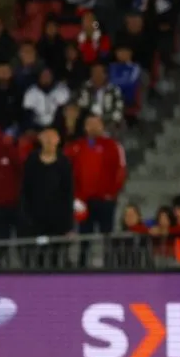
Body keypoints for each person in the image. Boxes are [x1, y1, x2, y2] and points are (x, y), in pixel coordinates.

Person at [64, 114, 127, 267]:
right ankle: (82, 266)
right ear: (85, 127)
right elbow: (67, 171)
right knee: (84, 235)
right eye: (89, 124)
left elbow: (121, 171)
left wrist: (111, 194)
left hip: (105, 200)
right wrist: (76, 196)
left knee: (107, 235)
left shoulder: (113, 146)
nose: (92, 127)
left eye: (95, 123)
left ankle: (110, 265)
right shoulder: (76, 147)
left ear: (101, 126)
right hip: (83, 201)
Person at [19, 126, 74, 268]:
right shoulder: (32, 160)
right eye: (46, 137)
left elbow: (68, 193)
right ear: (40, 139)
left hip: (57, 219)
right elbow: (26, 189)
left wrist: (68, 224)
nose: (49, 140)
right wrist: (27, 217)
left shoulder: (64, 162)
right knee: (38, 254)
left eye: (52, 137)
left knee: (55, 254)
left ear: (58, 140)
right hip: (36, 218)